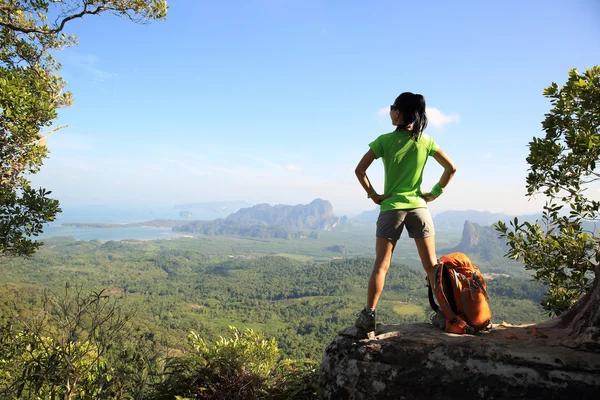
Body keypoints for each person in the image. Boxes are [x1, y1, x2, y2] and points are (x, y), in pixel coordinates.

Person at [354, 92, 456, 336]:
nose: (390, 111)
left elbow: (360, 170)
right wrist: (434, 193)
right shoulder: (426, 141)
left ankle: (369, 316)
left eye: (391, 108)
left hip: (392, 208)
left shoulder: (384, 141)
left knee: (381, 265)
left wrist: (374, 195)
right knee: (431, 265)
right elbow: (451, 168)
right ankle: (445, 314)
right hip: (419, 207)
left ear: (398, 113)